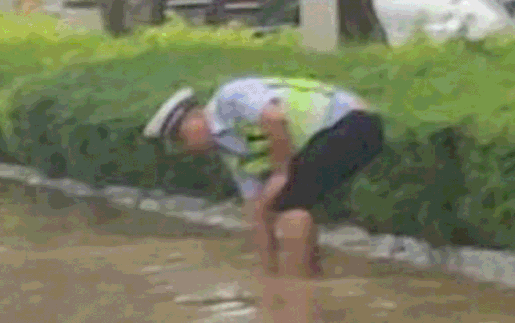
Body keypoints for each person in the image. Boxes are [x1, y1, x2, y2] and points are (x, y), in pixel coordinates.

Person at [143, 76, 384, 278]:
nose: (187, 149)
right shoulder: (231, 151)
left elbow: (274, 118)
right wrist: (266, 272)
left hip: (352, 122)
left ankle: (301, 287)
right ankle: (305, 278)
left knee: (287, 206)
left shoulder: (229, 98)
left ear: (194, 117)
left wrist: (281, 172)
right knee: (281, 204)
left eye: (181, 139)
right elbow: (257, 211)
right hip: (333, 135)